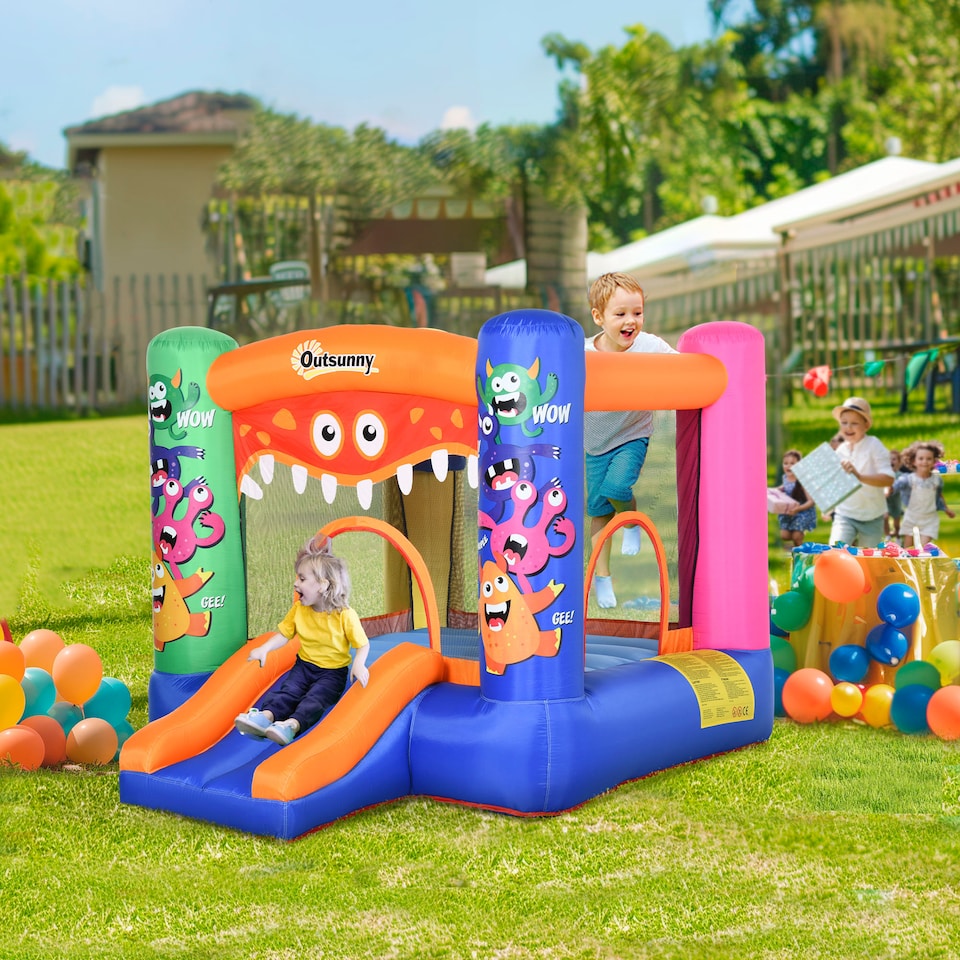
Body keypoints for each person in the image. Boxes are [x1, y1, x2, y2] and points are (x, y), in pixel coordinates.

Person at [583, 272, 677, 608]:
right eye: (620, 314)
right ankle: (603, 578)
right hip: (594, 444)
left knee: (617, 489)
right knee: (597, 511)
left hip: (632, 435)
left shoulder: (650, 347)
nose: (630, 321)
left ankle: (631, 519)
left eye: (637, 313)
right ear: (599, 317)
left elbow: (683, 368)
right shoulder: (583, 353)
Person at [234, 534, 370, 745]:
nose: (295, 583)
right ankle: (266, 717)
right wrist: (264, 649)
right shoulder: (299, 609)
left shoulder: (344, 615)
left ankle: (291, 725)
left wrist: (359, 664)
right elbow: (284, 634)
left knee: (315, 699)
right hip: (304, 666)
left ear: (323, 585)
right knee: (289, 691)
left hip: (332, 673)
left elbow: (362, 644)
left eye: (302, 579)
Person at [829, 397, 895, 547]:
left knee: (867, 558)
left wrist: (859, 477)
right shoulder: (840, 450)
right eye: (844, 422)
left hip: (872, 516)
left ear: (866, 425)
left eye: (854, 423)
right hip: (845, 514)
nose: (848, 427)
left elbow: (888, 479)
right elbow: (835, 484)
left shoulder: (874, 445)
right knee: (835, 551)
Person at [894, 440, 955, 547]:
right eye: (921, 459)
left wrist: (946, 509)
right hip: (912, 517)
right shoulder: (908, 479)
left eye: (929, 459)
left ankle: (923, 557)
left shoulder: (937, 480)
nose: (925, 462)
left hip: (929, 519)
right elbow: (894, 487)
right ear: (914, 461)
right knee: (908, 548)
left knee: (924, 549)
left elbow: (938, 496)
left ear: (934, 461)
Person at [777, 449, 817, 550]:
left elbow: (811, 502)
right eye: (785, 463)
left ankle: (801, 551)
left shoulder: (803, 481)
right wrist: (776, 491)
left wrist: (798, 509)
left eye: (792, 463)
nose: (788, 466)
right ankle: (797, 543)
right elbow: (785, 487)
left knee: (796, 537)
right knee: (784, 535)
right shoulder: (785, 478)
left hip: (802, 512)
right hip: (790, 512)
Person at [883, 448, 909, 543]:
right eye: (889, 459)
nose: (891, 461)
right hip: (885, 501)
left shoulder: (900, 475)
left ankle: (898, 536)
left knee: (896, 523)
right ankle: (887, 536)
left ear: (898, 462)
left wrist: (890, 489)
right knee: (885, 517)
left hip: (896, 501)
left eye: (894, 459)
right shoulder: (884, 474)